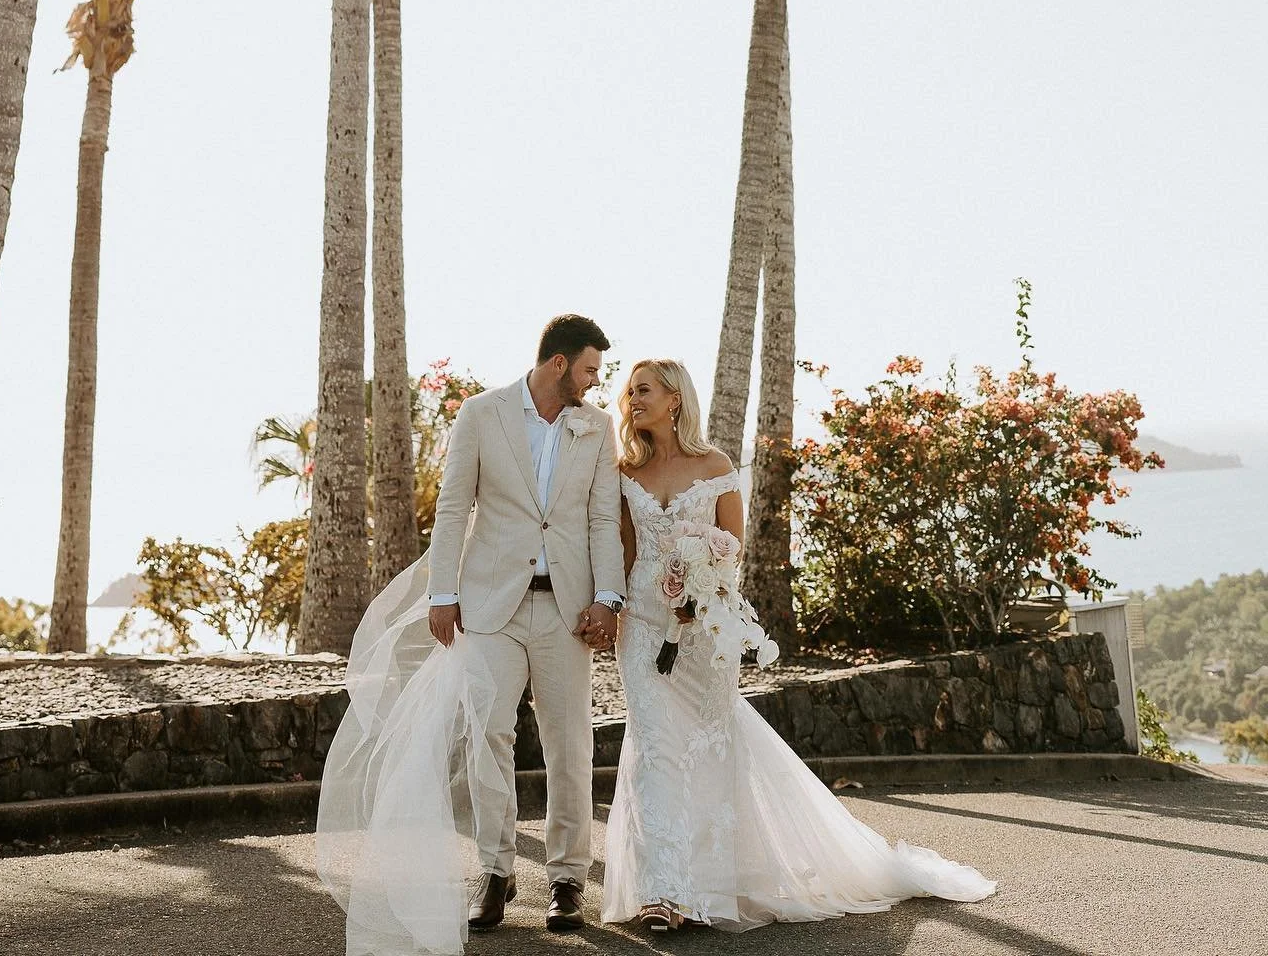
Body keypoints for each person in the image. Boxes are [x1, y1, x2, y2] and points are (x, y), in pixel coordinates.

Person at [603, 358, 995, 932]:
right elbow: (624, 552)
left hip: (700, 632)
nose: (631, 398)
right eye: (628, 391)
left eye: (643, 389)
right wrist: (614, 610)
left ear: (674, 400)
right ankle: (663, 891)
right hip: (641, 627)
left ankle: (709, 886)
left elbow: (730, 551)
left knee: (709, 751)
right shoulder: (624, 472)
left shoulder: (714, 467)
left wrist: (701, 596)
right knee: (654, 752)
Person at [316, 313, 625, 950]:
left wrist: (608, 599)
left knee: (569, 742)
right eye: (591, 369)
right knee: (490, 735)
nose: (597, 383)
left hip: (568, 609)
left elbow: (601, 517)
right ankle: (497, 870)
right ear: (560, 363)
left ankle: (567, 878)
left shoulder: (597, 428)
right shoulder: (481, 415)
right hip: (491, 606)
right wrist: (444, 592)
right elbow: (455, 504)